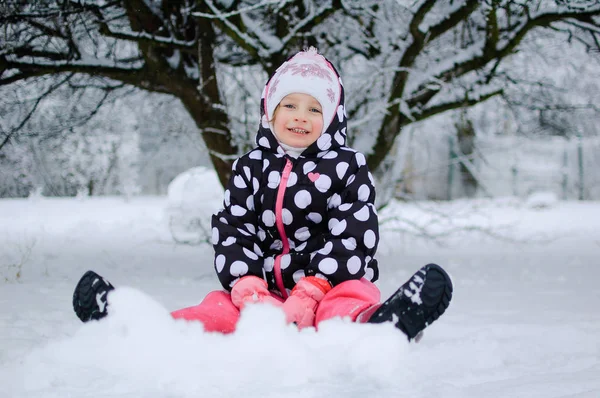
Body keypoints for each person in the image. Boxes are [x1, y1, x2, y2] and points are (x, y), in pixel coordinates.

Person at [73, 47, 453, 341]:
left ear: (332, 119)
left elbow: (355, 235)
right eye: (289, 105)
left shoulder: (347, 166)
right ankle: (143, 327)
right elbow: (233, 229)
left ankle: (380, 323)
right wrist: (247, 286)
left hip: (330, 285)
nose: (300, 116)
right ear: (269, 112)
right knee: (217, 310)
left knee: (346, 301)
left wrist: (314, 288)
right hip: (265, 292)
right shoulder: (250, 168)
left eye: (314, 108)